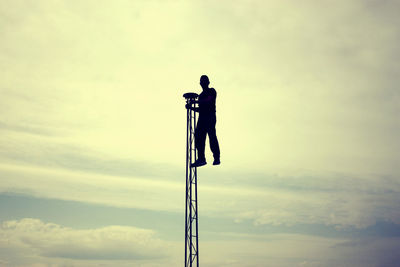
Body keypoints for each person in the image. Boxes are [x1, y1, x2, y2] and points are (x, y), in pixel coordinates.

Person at [186, 75, 220, 167]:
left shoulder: (212, 91)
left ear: (208, 82)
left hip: (210, 117)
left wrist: (195, 103)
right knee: (198, 138)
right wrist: (191, 108)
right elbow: (200, 109)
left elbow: (209, 100)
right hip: (202, 118)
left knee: (212, 136)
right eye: (202, 81)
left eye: (204, 81)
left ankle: (216, 157)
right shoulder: (200, 96)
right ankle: (201, 159)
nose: (203, 83)